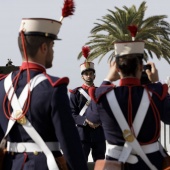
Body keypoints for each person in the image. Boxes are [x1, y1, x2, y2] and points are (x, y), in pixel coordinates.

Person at [0, 17, 88, 170]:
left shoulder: (2, 85)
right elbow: (70, 144)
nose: (53, 52)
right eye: (52, 46)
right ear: (44, 48)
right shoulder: (53, 88)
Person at [85, 40, 170, 170]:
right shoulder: (157, 94)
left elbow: (90, 118)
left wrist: (107, 80)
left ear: (117, 69)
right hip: (150, 164)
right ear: (141, 67)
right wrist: (156, 82)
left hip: (115, 165)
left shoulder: (102, 96)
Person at [69, 47, 106, 162]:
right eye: (86, 74)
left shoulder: (100, 92)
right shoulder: (75, 93)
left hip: (99, 134)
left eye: (91, 73)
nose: (89, 76)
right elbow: (72, 114)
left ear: (94, 76)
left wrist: (98, 122)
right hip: (83, 135)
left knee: (100, 164)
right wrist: (86, 121)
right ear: (82, 76)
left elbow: (105, 111)